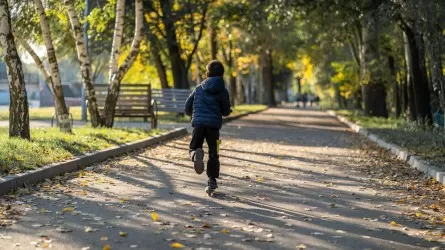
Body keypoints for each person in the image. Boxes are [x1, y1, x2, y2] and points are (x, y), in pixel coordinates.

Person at [185, 60, 232, 195]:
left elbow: (187, 107)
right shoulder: (223, 91)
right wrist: (228, 112)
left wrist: (192, 114)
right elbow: (225, 110)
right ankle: (212, 181)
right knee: (213, 153)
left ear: (207, 75)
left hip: (199, 125)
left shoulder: (198, 88)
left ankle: (195, 155)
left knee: (194, 146)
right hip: (214, 128)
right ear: (222, 76)